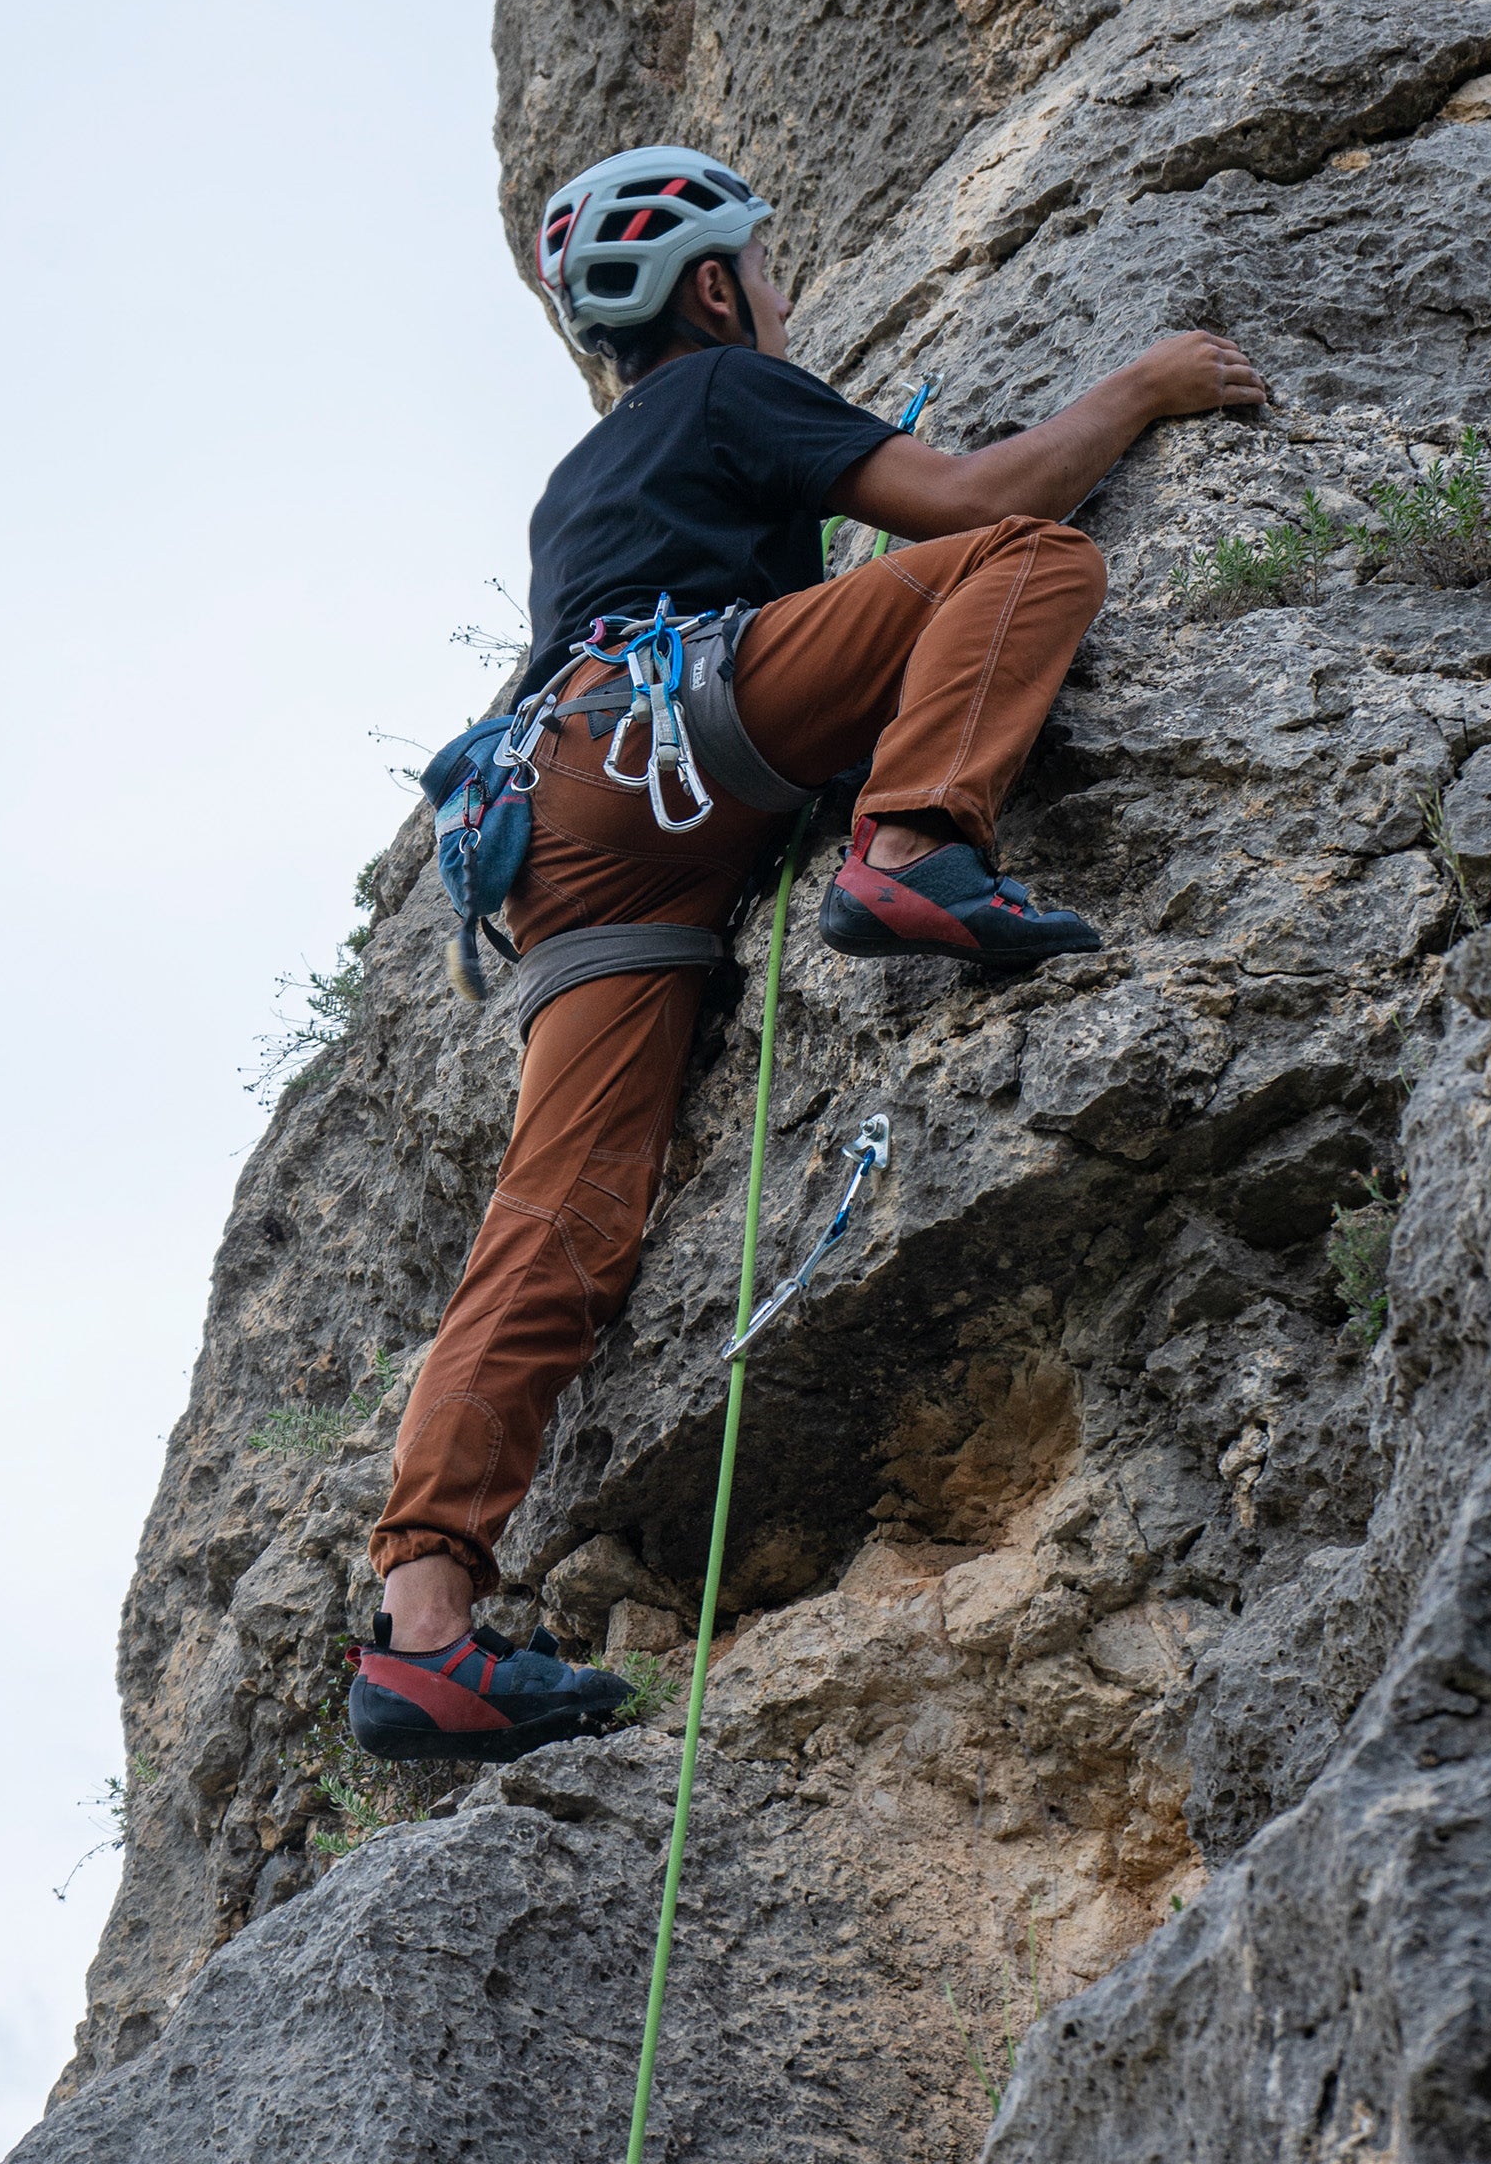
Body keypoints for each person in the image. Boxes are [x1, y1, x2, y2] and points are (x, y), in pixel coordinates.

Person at [348, 145, 1265, 1762]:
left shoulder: (579, 480)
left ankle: (422, 1629)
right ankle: (912, 854)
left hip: (561, 828)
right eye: (764, 269)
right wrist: (1146, 383)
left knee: (555, 1220)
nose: (776, 294)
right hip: (675, 735)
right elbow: (981, 505)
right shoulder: (723, 387)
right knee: (1029, 563)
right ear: (714, 289)